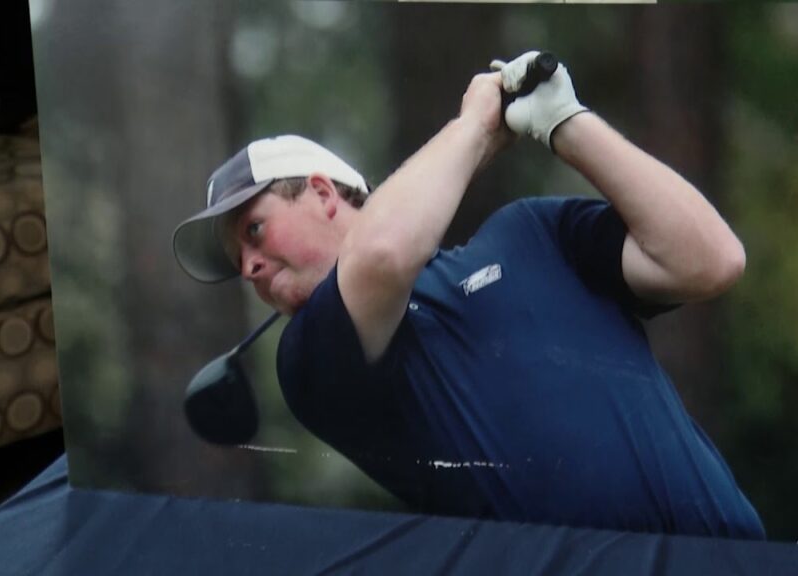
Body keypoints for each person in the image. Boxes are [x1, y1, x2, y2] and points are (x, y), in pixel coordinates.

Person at [173, 52, 765, 539]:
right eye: (236, 262)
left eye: (253, 230)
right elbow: (382, 256)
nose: (247, 267)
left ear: (325, 194)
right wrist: (475, 127)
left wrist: (566, 123)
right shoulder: (309, 357)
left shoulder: (533, 233)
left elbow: (711, 260)